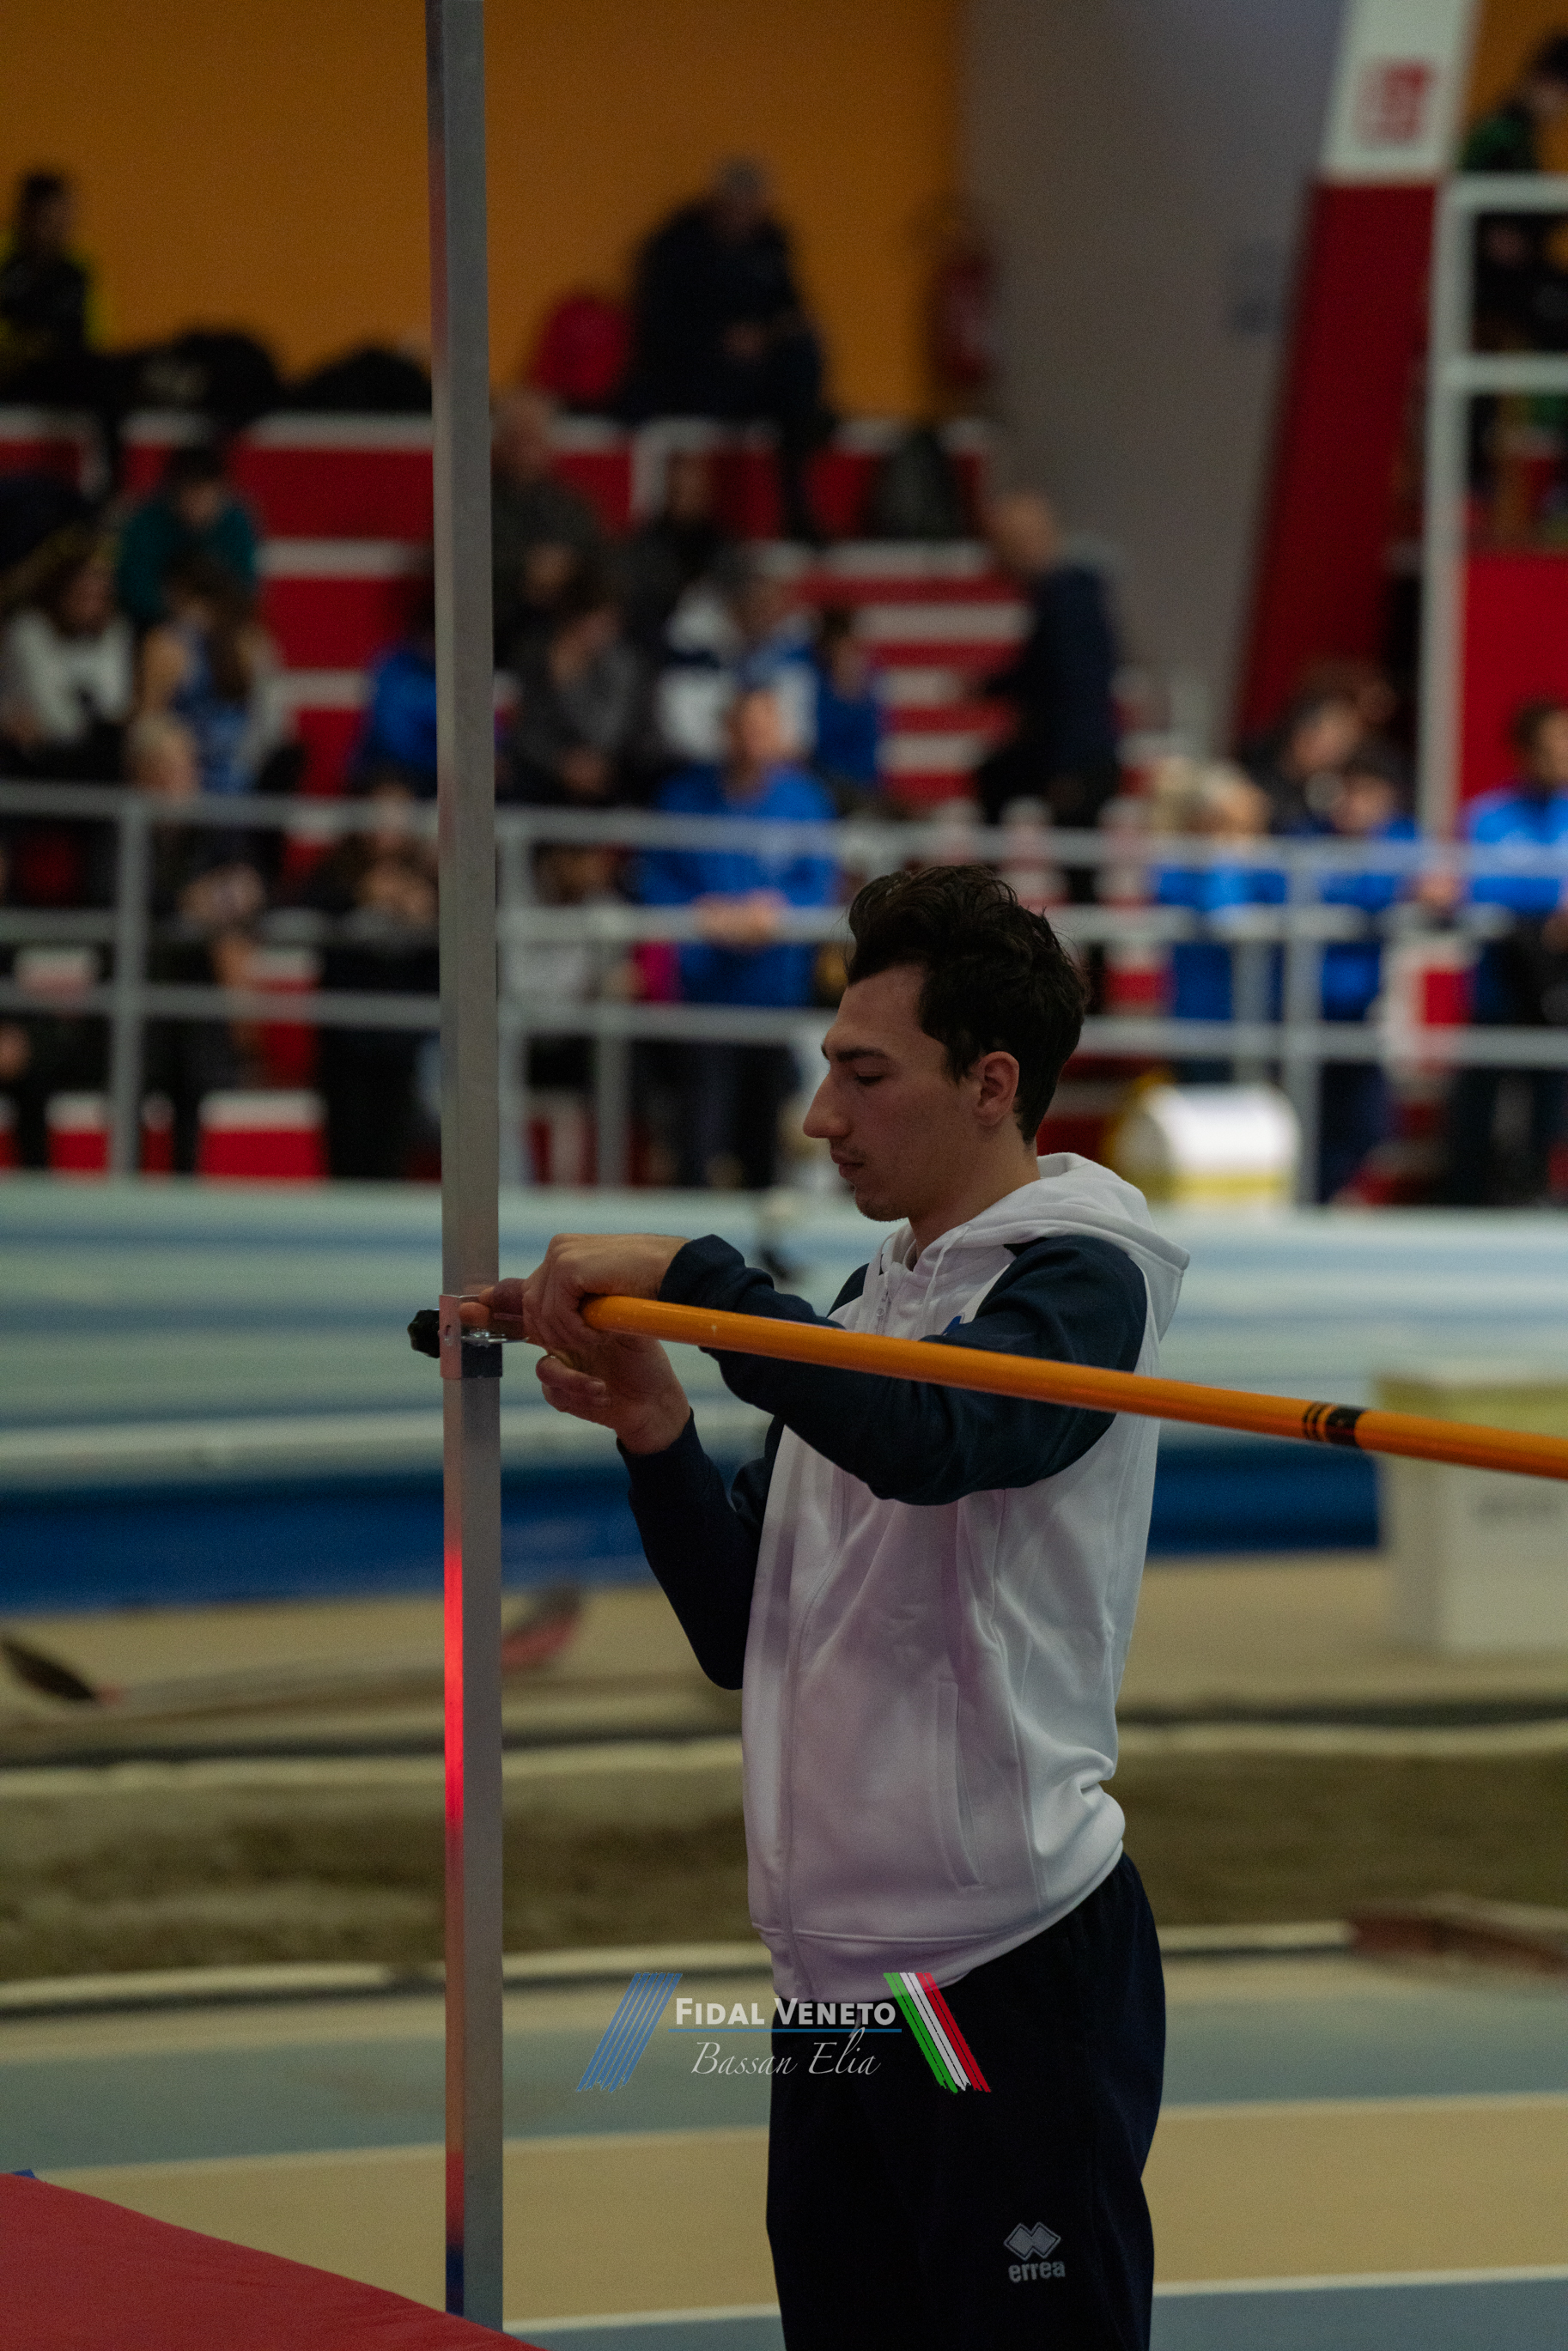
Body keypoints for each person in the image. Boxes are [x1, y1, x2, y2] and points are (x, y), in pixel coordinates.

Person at [462, 864, 1188, 2350]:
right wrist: (658, 1429)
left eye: (864, 1075)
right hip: (838, 1988)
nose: (819, 1117)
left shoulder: (1087, 1279)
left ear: (991, 1084)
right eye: (825, 1071)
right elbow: (745, 1629)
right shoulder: (865, 1309)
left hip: (1001, 1963)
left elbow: (937, 1439)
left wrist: (704, 1285)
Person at [636, 683, 836, 1188]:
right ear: (725, 730)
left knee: (763, 1149)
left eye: (764, 728)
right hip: (702, 1000)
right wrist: (703, 914)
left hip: (774, 999)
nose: (753, 740)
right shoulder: (682, 798)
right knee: (698, 1141)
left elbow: (819, 887)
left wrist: (775, 913)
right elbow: (655, 880)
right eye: (745, 728)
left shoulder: (804, 801)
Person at [624, 159, 831, 544]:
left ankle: (798, 505)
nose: (744, 218)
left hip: (756, 377)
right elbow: (658, 325)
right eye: (736, 208)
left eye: (753, 209)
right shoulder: (678, 245)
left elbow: (792, 310)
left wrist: (765, 336)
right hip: (693, 375)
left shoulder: (771, 245)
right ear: (717, 204)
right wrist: (718, 341)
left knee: (803, 356)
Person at [125, 712, 264, 1170]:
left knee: (189, 1125)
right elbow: (112, 894)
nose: (184, 779)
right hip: (136, 999)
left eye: (187, 766)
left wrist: (230, 894)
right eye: (170, 768)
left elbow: (248, 885)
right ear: (144, 776)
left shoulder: (211, 829)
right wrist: (187, 902)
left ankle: (245, 1050)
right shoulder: (122, 827)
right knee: (128, 1129)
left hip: (193, 1005)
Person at [1443, 698, 1568, 1204]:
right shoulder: (1488, 817)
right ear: (1525, 751)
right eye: (1553, 744)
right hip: (1499, 987)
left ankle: (1536, 1190)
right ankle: (1465, 1200)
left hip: (1558, 992)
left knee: (1550, 1105)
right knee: (1478, 1103)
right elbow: (1478, 889)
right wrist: (1546, 914)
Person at [976, 493, 1121, 876]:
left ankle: (984, 890)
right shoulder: (1062, 595)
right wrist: (987, 689)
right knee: (995, 775)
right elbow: (1038, 673)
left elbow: (1074, 686)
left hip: (1080, 759)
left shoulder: (1068, 599)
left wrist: (1068, 768)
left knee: (1079, 870)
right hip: (1073, 752)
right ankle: (984, 888)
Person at [1308, 748, 1418, 1201]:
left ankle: (1336, 1195)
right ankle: (1317, 1201)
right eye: (1349, 790)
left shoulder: (1402, 842)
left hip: (1363, 1010)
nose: (1354, 802)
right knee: (1309, 1118)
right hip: (1301, 1010)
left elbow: (1414, 883)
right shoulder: (1309, 840)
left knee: (1366, 1125)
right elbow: (1282, 888)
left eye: (1368, 792)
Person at [1150, 759, 1283, 1078]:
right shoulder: (1178, 868)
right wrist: (1226, 857)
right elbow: (1222, 914)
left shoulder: (1266, 865)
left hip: (1260, 1016)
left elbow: (1285, 898)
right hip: (1200, 1019)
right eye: (1224, 821)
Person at [136, 551, 293, 800]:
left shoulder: (168, 644)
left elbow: (146, 724)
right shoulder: (252, 639)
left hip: (230, 777)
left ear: (175, 593)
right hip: (191, 778)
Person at [655, 553, 817, 767]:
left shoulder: (790, 648)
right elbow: (678, 731)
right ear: (736, 602)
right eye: (759, 602)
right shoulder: (694, 644)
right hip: (699, 767)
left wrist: (760, 752)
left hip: (771, 768)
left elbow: (798, 737)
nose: (769, 614)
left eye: (776, 604)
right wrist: (739, 752)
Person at [502, 574, 646, 807]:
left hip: (604, 772)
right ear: (574, 619)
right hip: (540, 772)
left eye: (613, 622)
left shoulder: (623, 664)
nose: (609, 631)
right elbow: (523, 725)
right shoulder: (534, 654)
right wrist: (558, 762)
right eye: (599, 621)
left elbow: (607, 735)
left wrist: (572, 683)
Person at [1461, 34, 1568, 348]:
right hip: (1487, 280)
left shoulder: (1518, 135)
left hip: (1510, 276)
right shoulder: (1499, 136)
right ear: (1545, 81)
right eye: (1565, 97)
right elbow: (1501, 234)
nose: (1563, 111)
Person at [0, 531, 132, 775]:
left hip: (91, 752)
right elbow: (47, 707)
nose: (90, 605)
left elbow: (115, 702)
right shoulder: (28, 630)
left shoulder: (114, 630)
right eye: (82, 594)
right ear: (62, 590)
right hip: (35, 752)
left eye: (98, 596)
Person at [489, 388, 606, 661]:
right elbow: (455, 567)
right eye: (518, 438)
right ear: (501, 442)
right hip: (498, 632)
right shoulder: (472, 507)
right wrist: (526, 569)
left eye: (534, 438)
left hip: (566, 630)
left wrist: (566, 570)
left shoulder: (572, 506)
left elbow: (599, 562)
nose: (526, 449)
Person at [116, 445, 260, 631]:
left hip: (221, 626)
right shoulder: (147, 523)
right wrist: (180, 612)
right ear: (174, 492)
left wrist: (209, 613)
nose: (197, 505)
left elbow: (246, 588)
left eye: (205, 496)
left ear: (221, 493)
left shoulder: (236, 523)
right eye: (190, 495)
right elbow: (135, 589)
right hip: (156, 625)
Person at [617, 447, 735, 652]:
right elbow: (634, 606)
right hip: (655, 646)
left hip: (717, 647)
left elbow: (734, 600)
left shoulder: (722, 546)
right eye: (678, 489)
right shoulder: (644, 545)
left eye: (693, 490)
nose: (685, 498)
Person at [350, 576, 438, 798]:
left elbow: (482, 727)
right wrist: (441, 761)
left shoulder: (457, 673)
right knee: (392, 791)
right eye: (431, 636)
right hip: (392, 768)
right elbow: (393, 737)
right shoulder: (392, 667)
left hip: (438, 770)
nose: (435, 645)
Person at [1239, 687, 1363, 835]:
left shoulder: (1332, 794)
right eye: (1337, 741)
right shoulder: (1247, 778)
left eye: (1346, 745)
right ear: (1303, 734)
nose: (1340, 754)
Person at [811, 604, 884, 808]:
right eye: (840, 648)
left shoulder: (874, 686)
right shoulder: (810, 685)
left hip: (864, 788)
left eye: (853, 648)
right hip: (821, 787)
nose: (848, 656)